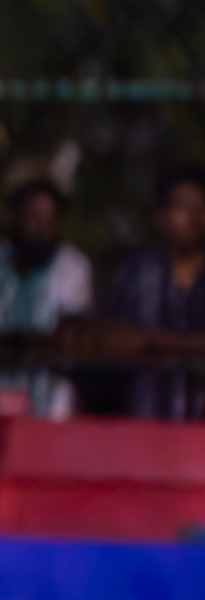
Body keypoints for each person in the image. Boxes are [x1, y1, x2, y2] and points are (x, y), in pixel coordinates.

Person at [0, 178, 92, 417]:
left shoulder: (73, 266)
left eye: (49, 219)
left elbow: (67, 337)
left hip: (52, 406)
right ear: (15, 217)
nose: (40, 227)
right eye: (33, 216)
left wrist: (9, 344)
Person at [107, 167, 205, 418]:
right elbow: (112, 337)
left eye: (200, 205)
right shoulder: (136, 270)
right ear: (160, 216)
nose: (194, 215)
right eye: (183, 206)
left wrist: (162, 343)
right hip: (143, 418)